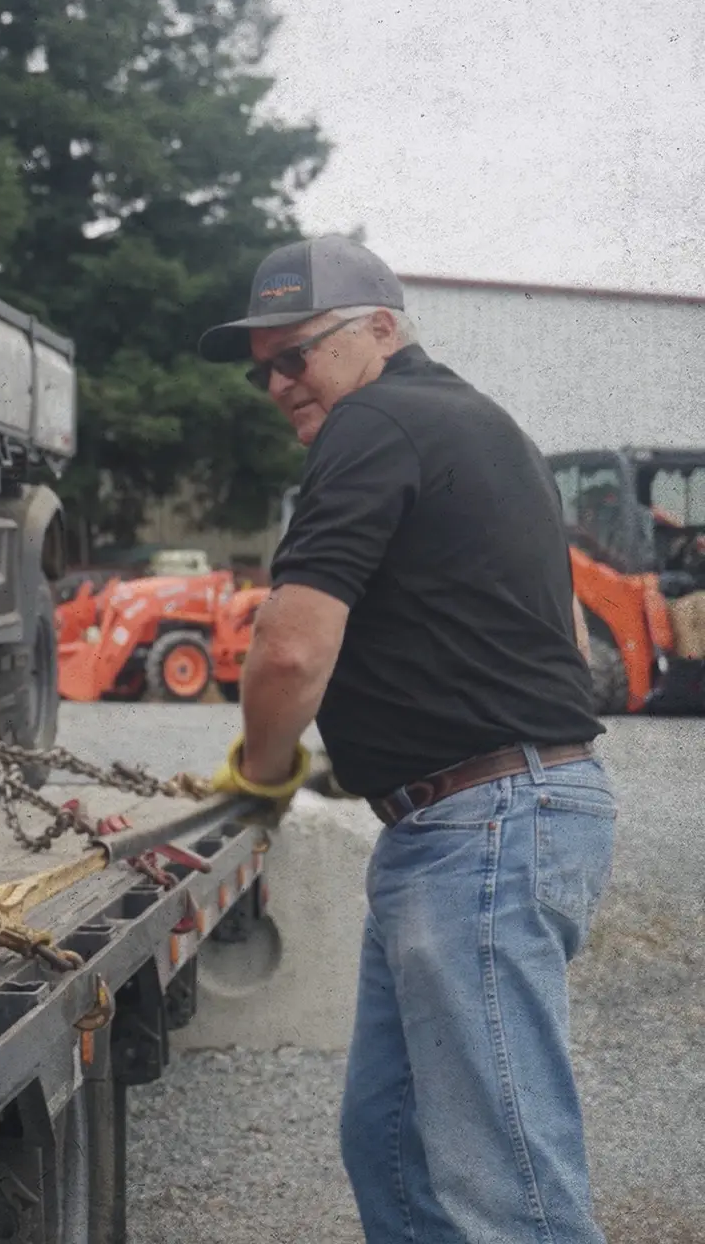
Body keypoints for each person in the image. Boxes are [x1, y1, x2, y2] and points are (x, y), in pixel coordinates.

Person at [196, 235, 616, 1243]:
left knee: (502, 1174)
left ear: (382, 330)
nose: (279, 384)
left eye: (297, 354)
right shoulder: (484, 426)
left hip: (481, 826)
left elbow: (291, 650)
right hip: (493, 814)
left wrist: (263, 770)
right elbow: (551, 632)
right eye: (265, 369)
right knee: (392, 1140)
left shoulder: (372, 418)